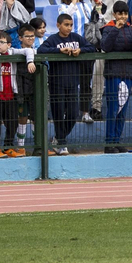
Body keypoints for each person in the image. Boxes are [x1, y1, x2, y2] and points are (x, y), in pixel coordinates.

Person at [37, 12, 96, 155]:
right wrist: (59, 51)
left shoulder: (76, 38)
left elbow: (92, 47)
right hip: (57, 82)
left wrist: (80, 50)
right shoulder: (52, 39)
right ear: (58, 25)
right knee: (58, 113)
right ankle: (61, 143)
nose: (69, 28)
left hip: (72, 82)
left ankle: (58, 138)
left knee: (73, 113)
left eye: (71, 25)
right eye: (66, 25)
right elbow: (41, 50)